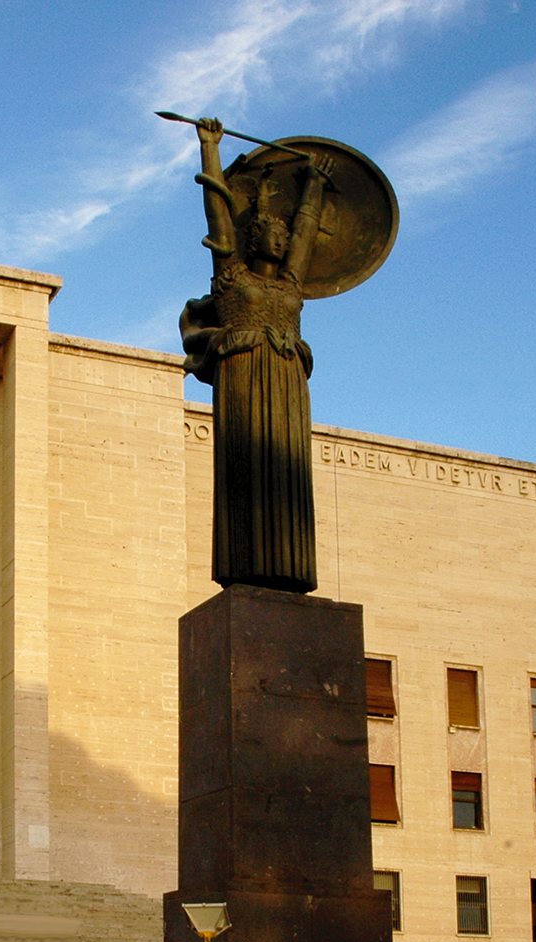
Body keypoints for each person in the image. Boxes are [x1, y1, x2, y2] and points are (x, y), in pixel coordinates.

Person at [180, 117, 333, 594]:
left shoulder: (290, 284)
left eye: (284, 236)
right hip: (244, 373)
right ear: (253, 238)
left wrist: (314, 184)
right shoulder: (232, 276)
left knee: (288, 472)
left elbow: (306, 232)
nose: (281, 239)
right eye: (272, 232)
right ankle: (245, 563)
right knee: (245, 469)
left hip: (286, 381)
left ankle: (289, 568)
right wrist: (209, 148)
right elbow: (217, 212)